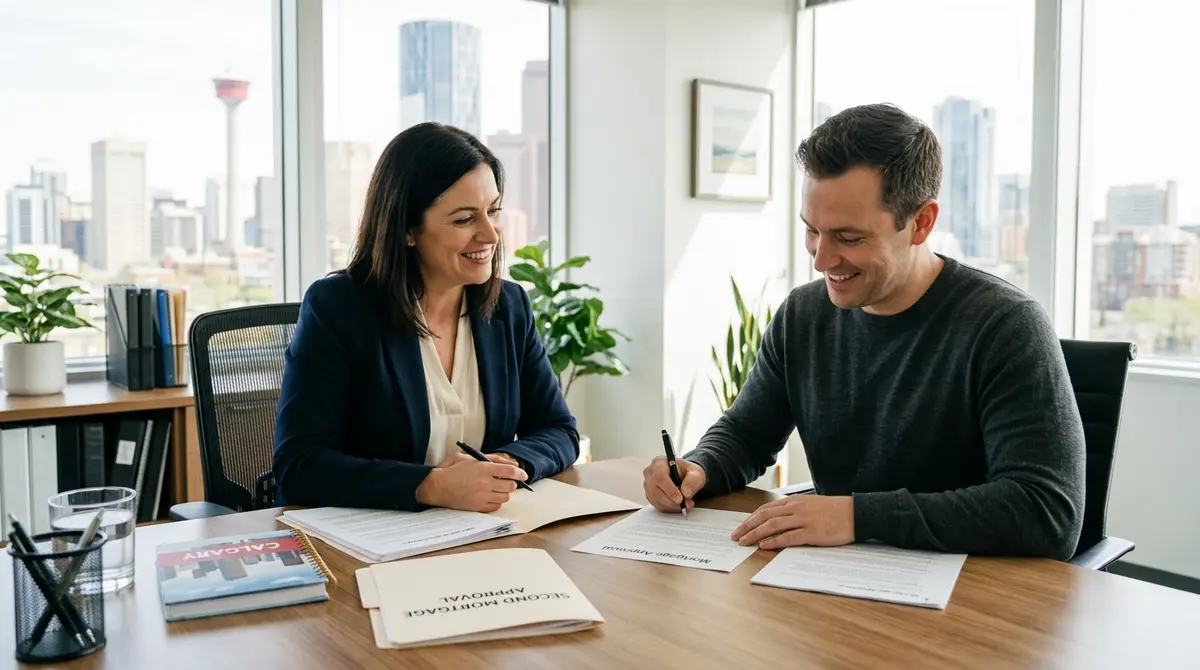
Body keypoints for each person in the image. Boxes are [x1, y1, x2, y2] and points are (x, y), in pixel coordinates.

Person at [642, 103, 1086, 560]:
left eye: (849, 238)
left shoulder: (1005, 325)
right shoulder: (804, 314)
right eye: (812, 230)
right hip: (839, 581)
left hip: (970, 596)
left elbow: (1047, 511)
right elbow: (747, 433)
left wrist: (856, 517)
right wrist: (699, 465)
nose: (820, 259)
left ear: (921, 223)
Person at [274, 122, 579, 513]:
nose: (490, 234)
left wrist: (509, 463)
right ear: (407, 230)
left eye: (493, 211)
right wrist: (429, 486)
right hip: (366, 544)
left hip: (478, 537)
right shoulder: (339, 308)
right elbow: (300, 466)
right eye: (464, 219)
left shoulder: (509, 306)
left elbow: (559, 430)